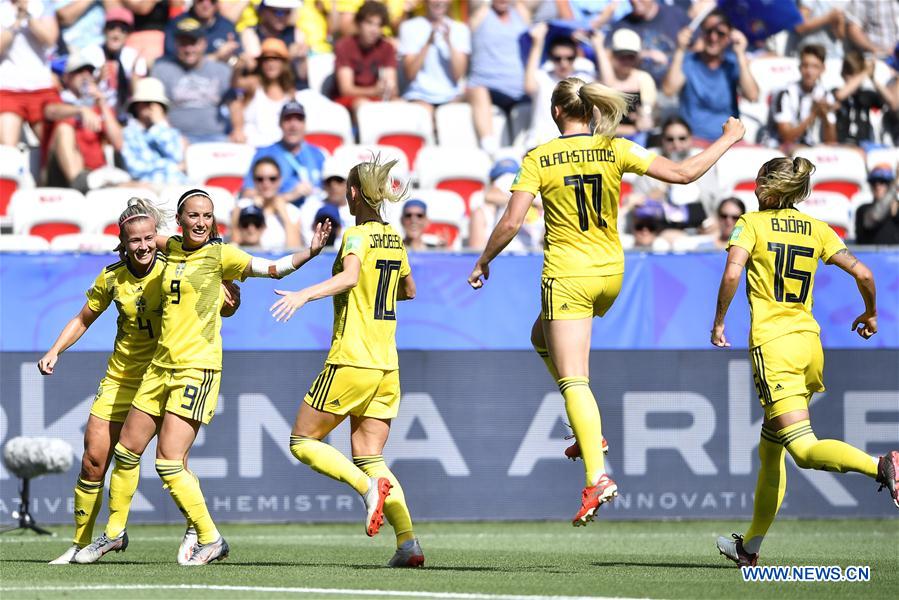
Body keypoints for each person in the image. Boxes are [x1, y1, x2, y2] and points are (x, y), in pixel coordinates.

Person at [468, 77, 746, 526]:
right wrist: (730, 138)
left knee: (574, 380)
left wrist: (483, 260)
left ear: (557, 112)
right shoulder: (614, 148)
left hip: (569, 275)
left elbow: (511, 222)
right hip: (612, 273)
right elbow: (684, 173)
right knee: (540, 337)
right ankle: (587, 430)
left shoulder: (539, 158)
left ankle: (597, 473)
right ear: (591, 111)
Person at [74, 188, 332, 566]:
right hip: (159, 367)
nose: (201, 222)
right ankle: (114, 534)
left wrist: (308, 253)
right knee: (126, 452)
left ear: (214, 222)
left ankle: (210, 536)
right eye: (193, 215)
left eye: (207, 216)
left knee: (168, 462)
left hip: (197, 368)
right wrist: (134, 220)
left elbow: (269, 267)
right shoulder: (172, 246)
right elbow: (139, 234)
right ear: (180, 220)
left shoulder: (221, 254)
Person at [711, 156, 898, 567]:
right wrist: (871, 313)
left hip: (773, 346)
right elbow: (865, 273)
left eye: (759, 183)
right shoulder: (817, 228)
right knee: (771, 451)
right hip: (809, 345)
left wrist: (719, 322)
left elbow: (730, 275)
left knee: (804, 449)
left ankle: (882, 464)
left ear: (770, 189)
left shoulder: (752, 224)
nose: (754, 189)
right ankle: (750, 548)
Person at [39, 197, 240, 565]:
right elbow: (83, 318)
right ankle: (83, 542)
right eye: (135, 241)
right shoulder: (112, 277)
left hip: (167, 372)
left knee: (171, 458)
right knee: (93, 462)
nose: (144, 246)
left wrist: (230, 300)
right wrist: (55, 350)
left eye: (149, 239)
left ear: (156, 237)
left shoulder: (174, 266)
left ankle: (196, 527)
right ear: (124, 242)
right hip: (121, 376)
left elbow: (220, 299)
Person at [270, 154, 424, 568]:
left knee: (302, 441)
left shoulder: (357, 235)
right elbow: (409, 291)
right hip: (386, 364)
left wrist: (305, 294)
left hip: (352, 358)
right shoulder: (393, 237)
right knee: (370, 455)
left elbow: (352, 276)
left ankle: (366, 489)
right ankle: (408, 543)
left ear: (353, 192)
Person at [663, 10, 759, 143]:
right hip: (694, 139)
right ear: (702, 34)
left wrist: (741, 54)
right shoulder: (688, 61)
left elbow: (752, 95)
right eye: (709, 31)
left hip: (728, 139)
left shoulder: (732, 63)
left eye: (720, 33)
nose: (713, 38)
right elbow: (669, 90)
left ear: (729, 37)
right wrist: (680, 49)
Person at [43, 52, 125, 192]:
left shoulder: (98, 106)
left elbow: (119, 143)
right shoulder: (58, 98)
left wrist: (102, 103)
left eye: (89, 71)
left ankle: (86, 182)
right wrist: (80, 110)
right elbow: (49, 111)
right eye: (79, 71)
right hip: (61, 177)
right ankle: (79, 182)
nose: (86, 75)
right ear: (66, 77)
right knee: (64, 128)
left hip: (96, 176)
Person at [151, 17, 234, 144]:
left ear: (204, 43)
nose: (189, 49)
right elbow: (155, 108)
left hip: (216, 137)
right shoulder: (161, 70)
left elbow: (234, 103)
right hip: (176, 138)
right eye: (184, 43)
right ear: (176, 44)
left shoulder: (222, 71)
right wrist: (170, 135)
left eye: (193, 42)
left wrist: (238, 129)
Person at [467, 0, 530, 155]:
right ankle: (489, 148)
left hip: (519, 88)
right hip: (488, 86)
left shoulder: (521, 12)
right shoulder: (481, 12)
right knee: (477, 89)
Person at [241, 101, 326, 208]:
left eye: (299, 119)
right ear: (280, 123)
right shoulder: (264, 154)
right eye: (288, 119)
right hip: (275, 216)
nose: (293, 125)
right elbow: (247, 193)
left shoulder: (317, 155)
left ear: (305, 124)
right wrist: (289, 196)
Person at [524, 24, 594, 148]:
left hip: (576, 146)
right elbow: (528, 86)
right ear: (550, 58)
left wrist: (598, 45)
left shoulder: (584, 79)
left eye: (569, 58)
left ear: (576, 57)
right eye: (558, 58)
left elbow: (608, 87)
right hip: (541, 144)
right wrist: (537, 43)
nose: (563, 63)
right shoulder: (542, 77)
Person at [0, 0, 59, 147]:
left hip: (41, 87)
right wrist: (16, 23)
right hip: (9, 88)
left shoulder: (43, 5)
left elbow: (50, 39)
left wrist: (29, 17)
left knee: (53, 146)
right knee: (7, 150)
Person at [398, 0, 470, 113]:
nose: (439, 2)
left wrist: (449, 42)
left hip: (452, 98)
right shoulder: (409, 27)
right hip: (418, 97)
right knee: (427, 113)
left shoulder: (460, 29)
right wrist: (427, 43)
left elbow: (458, 75)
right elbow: (409, 74)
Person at [332, 1, 398, 117]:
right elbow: (346, 89)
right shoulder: (344, 46)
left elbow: (392, 88)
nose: (374, 30)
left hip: (377, 100)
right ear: (359, 23)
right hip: (349, 102)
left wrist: (388, 89)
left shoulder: (387, 48)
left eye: (379, 25)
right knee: (363, 105)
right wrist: (374, 91)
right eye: (369, 23)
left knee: (402, 105)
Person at [593, 28, 656, 145]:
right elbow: (602, 128)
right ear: (611, 56)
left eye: (631, 56)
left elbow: (647, 122)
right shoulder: (599, 84)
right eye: (622, 56)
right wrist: (634, 128)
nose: (626, 61)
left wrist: (643, 120)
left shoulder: (644, 79)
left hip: (638, 144)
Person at [120, 77, 187, 185]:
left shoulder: (170, 132)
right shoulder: (129, 133)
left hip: (175, 185)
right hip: (146, 188)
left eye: (155, 103)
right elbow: (134, 168)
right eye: (146, 102)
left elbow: (177, 156)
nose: (150, 107)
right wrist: (170, 166)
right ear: (136, 106)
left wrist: (159, 125)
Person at [770, 44, 837, 149]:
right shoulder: (785, 93)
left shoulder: (826, 95)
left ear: (823, 69)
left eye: (815, 67)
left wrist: (824, 115)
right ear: (799, 67)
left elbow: (831, 141)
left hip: (811, 148)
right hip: (783, 149)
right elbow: (786, 138)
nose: (809, 72)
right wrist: (813, 114)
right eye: (805, 66)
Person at [231, 38, 295, 147]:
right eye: (266, 59)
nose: (270, 64)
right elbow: (235, 85)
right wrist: (239, 67)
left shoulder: (290, 93)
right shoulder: (254, 84)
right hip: (251, 146)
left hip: (279, 149)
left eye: (275, 58)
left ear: (284, 63)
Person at [609, 0, 690, 87]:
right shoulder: (623, 25)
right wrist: (643, 55)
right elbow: (608, 59)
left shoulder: (675, 15)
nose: (634, 1)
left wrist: (680, 49)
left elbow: (699, 48)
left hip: (674, 89)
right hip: (638, 88)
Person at [231, 157, 301, 249]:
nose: (266, 183)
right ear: (254, 180)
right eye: (260, 179)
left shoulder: (292, 212)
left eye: (272, 178)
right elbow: (235, 245)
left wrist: (285, 216)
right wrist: (254, 213)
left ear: (280, 180)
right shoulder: (242, 207)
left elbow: (294, 251)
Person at [833, 51, 897, 149]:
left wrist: (873, 79)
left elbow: (893, 103)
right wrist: (865, 72)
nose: (852, 79)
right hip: (842, 145)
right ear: (842, 73)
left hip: (864, 146)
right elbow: (841, 95)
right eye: (849, 74)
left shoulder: (867, 95)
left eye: (855, 75)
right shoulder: (836, 91)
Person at [163, 0, 241, 64]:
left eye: (212, 1)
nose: (206, 4)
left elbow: (240, 56)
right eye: (201, 0)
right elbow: (172, 57)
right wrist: (216, 57)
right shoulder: (178, 24)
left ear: (217, 3)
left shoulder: (227, 26)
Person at [299, 156, 353, 246]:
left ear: (348, 183)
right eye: (329, 181)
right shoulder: (310, 207)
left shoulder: (357, 210)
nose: (333, 186)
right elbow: (309, 243)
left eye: (339, 180)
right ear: (323, 184)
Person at [855, 164, 899, 245]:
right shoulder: (862, 209)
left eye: (882, 181)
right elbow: (874, 217)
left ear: (889, 184)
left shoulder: (897, 208)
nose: (877, 186)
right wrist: (894, 186)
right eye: (873, 182)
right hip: (869, 257)